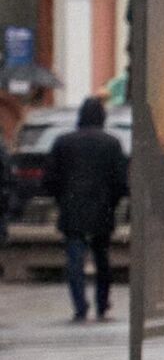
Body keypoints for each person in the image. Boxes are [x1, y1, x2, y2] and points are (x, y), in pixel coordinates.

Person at [44, 97, 127, 322]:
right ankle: (102, 303)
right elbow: (121, 181)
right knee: (102, 258)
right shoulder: (112, 143)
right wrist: (114, 201)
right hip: (103, 209)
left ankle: (80, 305)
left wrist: (61, 200)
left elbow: (50, 179)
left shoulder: (63, 142)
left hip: (72, 209)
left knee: (74, 259)